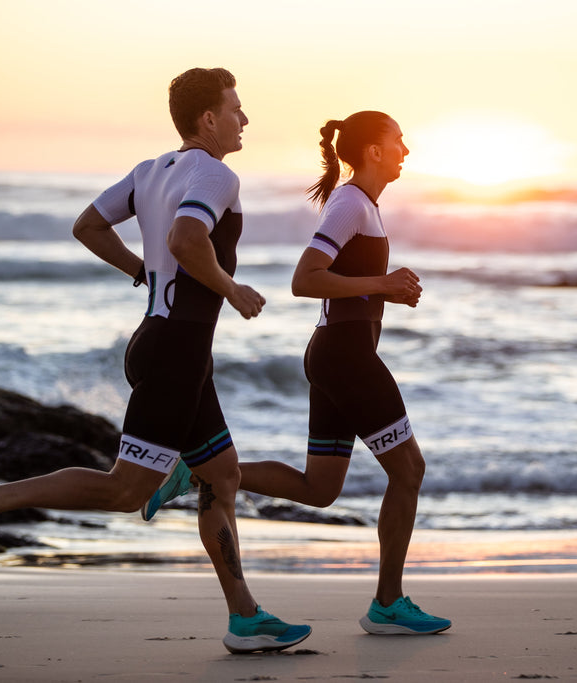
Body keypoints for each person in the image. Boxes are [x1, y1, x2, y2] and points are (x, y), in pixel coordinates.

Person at [0, 67, 311, 655]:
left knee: (224, 475)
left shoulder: (148, 171)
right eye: (236, 108)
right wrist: (229, 288)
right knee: (125, 491)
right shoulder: (215, 173)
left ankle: (246, 618)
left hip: (160, 344)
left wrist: (141, 270)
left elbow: (87, 226)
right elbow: (188, 242)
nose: (245, 119)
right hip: (176, 357)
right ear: (208, 119)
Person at [146, 111, 451, 636]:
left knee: (319, 488)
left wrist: (385, 289)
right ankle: (388, 603)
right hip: (345, 359)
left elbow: (346, 283)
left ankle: (199, 473)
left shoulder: (365, 205)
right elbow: (305, 279)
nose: (406, 149)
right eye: (398, 141)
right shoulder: (351, 202)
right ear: (373, 151)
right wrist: (383, 283)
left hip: (337, 354)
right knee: (409, 471)